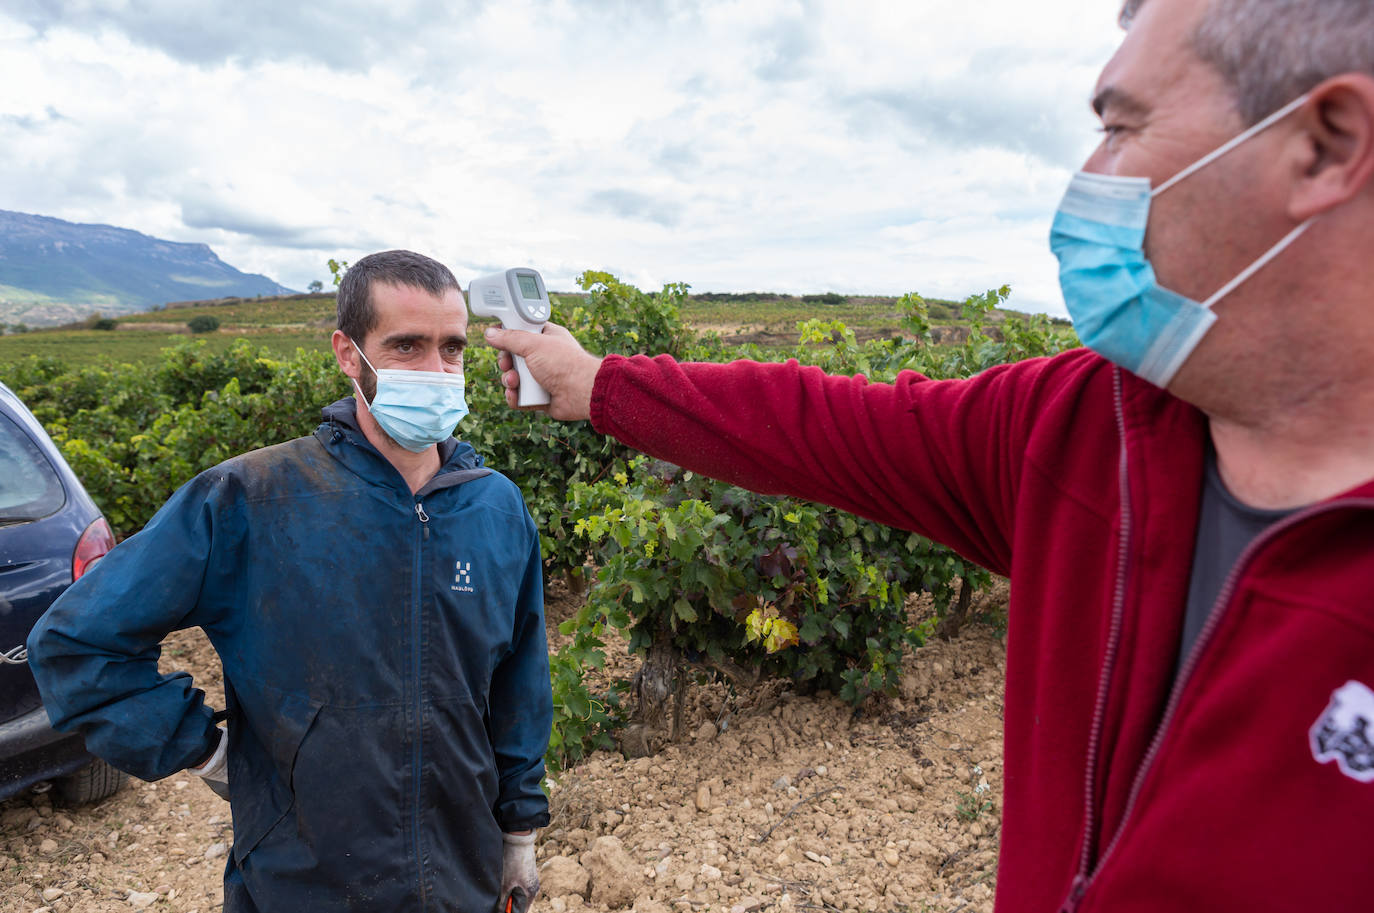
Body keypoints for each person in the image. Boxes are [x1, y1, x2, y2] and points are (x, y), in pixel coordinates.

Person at [484, 1, 1374, 910]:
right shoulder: (1083, 429)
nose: (1088, 175)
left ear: (1326, 145)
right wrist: (595, 384)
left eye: (1119, 127)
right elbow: (825, 425)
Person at [29, 250, 550, 913]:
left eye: (452, 348)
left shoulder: (495, 508)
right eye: (407, 345)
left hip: (459, 881)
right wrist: (204, 750)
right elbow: (78, 642)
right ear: (347, 352)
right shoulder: (253, 497)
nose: (437, 371)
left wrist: (518, 829)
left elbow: (521, 684)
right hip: (298, 887)